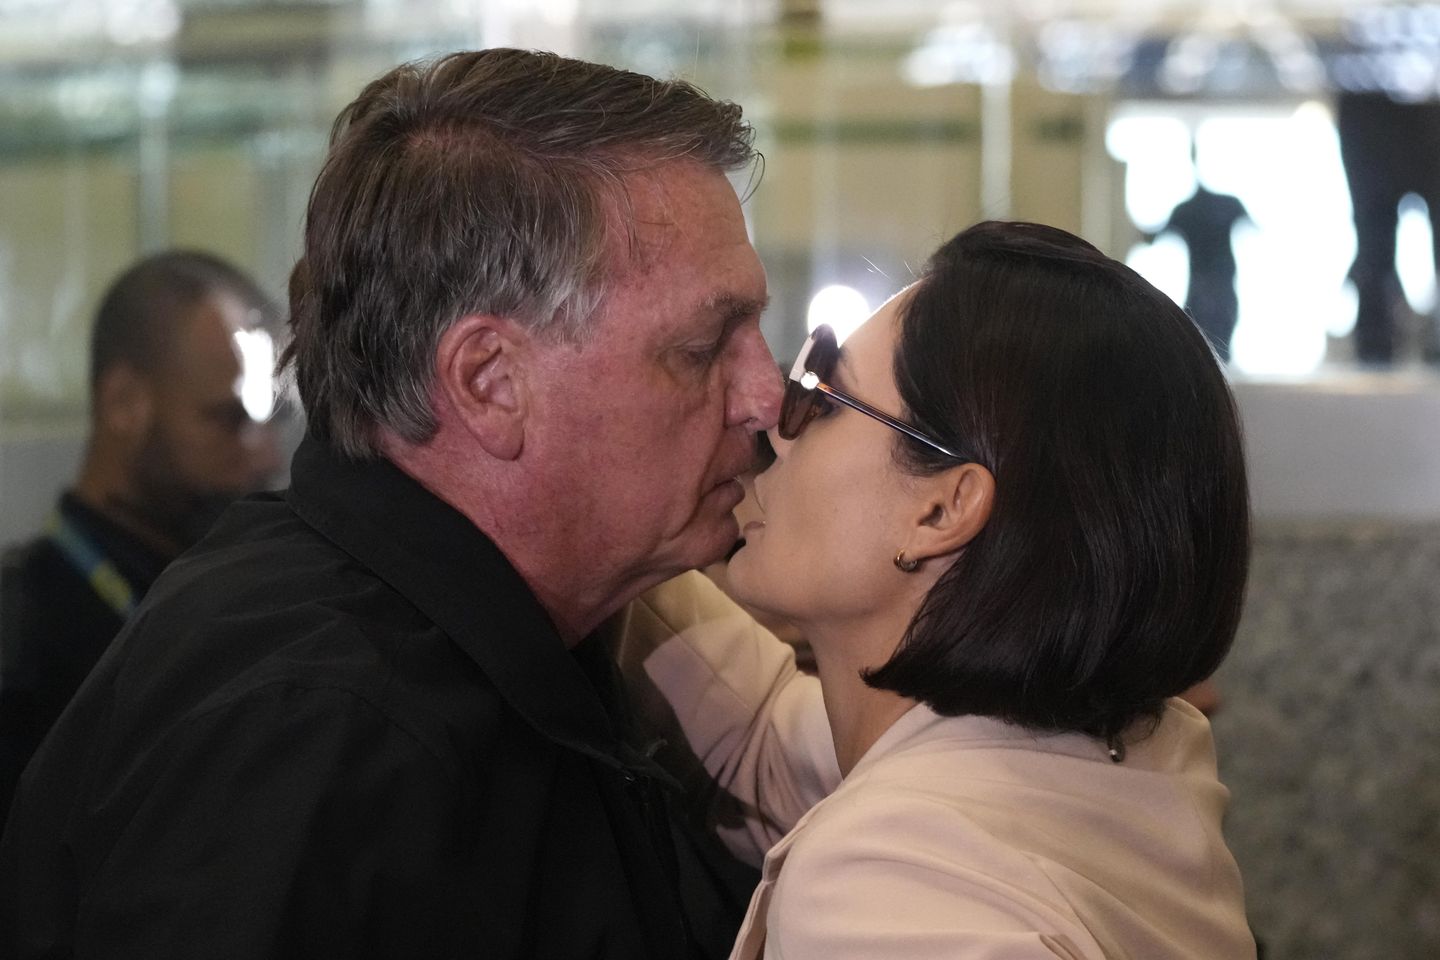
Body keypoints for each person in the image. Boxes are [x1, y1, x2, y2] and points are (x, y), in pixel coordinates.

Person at [0, 49, 780, 959]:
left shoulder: (513, 638)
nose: (765, 395)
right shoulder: (315, 734)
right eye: (702, 349)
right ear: (490, 383)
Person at [626, 220, 1256, 958]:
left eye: (822, 395)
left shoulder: (888, 887)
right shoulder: (1131, 752)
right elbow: (757, 738)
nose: (775, 423)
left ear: (942, 510)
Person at [0, 250, 282, 822]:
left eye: (274, 420)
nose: (267, 458)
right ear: (124, 403)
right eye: (230, 420)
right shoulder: (24, 644)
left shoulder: (224, 591)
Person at [1151, 163, 1251, 363]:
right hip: (1212, 279)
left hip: (1210, 279)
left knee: (1205, 325)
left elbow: (1153, 236)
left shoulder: (1187, 210)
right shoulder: (1225, 204)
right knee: (1207, 324)